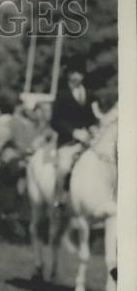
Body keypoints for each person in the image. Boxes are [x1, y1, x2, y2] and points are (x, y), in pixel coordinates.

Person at [50, 57, 99, 204]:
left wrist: (93, 127)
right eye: (74, 73)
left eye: (80, 73)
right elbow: (55, 121)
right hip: (68, 142)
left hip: (87, 140)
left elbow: (91, 117)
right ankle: (59, 197)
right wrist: (74, 132)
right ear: (69, 75)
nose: (78, 76)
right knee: (64, 168)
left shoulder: (89, 95)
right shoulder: (62, 94)